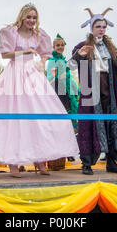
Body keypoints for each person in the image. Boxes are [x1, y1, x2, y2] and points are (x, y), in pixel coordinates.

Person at [0, 3, 79, 178]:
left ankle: (40, 159)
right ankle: (13, 163)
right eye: (29, 17)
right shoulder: (11, 32)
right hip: (14, 74)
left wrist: (41, 62)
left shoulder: (39, 34)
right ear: (22, 17)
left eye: (34, 17)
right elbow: (5, 55)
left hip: (33, 75)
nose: (31, 20)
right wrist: (24, 53)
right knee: (13, 118)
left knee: (38, 116)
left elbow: (45, 53)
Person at [69, 8, 117, 175]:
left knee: (112, 126)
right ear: (91, 28)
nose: (101, 29)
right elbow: (71, 66)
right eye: (98, 26)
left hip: (109, 91)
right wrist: (79, 56)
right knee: (89, 126)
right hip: (90, 92)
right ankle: (87, 164)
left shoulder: (110, 47)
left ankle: (111, 162)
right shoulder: (82, 46)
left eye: (104, 26)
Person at [46, 34, 80, 162]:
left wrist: (75, 90)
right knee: (57, 124)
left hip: (66, 94)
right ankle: (57, 151)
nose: (60, 47)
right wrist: (57, 77)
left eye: (62, 45)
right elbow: (48, 79)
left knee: (68, 124)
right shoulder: (51, 61)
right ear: (53, 47)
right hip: (56, 94)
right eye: (57, 45)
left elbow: (69, 78)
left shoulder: (64, 61)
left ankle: (68, 151)